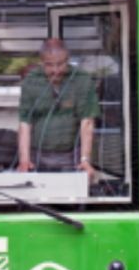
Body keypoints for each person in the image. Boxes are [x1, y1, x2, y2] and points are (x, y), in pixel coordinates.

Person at [16, 39, 98, 176]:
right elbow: (25, 122)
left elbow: (87, 122)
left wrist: (85, 159)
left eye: (60, 64)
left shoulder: (82, 80)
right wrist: (24, 159)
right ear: (41, 62)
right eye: (49, 65)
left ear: (68, 60)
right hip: (37, 154)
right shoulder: (31, 81)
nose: (55, 70)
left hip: (72, 154)